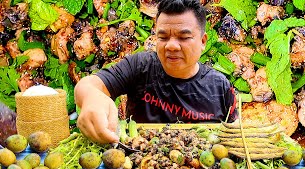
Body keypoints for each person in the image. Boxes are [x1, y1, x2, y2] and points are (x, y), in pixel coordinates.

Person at [74, 0, 237, 144]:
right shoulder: (140, 66)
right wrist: (91, 98)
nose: (171, 46)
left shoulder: (219, 86)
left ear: (203, 41)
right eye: (163, 37)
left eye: (183, 37)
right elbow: (88, 85)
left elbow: (235, 135)